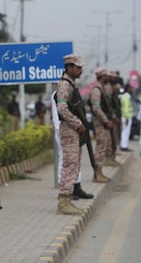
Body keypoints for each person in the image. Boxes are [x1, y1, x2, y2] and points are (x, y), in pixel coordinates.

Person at [55, 53, 87, 215]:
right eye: (78, 67)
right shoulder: (64, 85)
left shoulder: (71, 84)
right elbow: (62, 108)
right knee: (69, 164)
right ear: (69, 67)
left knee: (74, 164)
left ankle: (67, 198)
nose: (80, 70)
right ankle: (63, 201)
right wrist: (77, 123)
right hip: (69, 129)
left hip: (73, 130)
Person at [51, 90, 93, 200]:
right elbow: (58, 114)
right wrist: (59, 130)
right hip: (63, 130)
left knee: (76, 158)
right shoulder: (59, 93)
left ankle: (76, 187)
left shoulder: (71, 91)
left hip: (73, 130)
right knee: (64, 159)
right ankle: (64, 190)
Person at [89, 68, 115, 183]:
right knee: (100, 148)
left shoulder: (102, 89)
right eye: (107, 76)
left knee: (103, 147)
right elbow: (96, 108)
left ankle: (100, 173)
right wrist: (105, 120)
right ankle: (96, 175)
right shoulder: (96, 90)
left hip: (103, 124)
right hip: (100, 124)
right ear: (102, 76)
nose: (109, 78)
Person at [120, 84, 134, 151]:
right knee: (125, 131)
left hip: (126, 117)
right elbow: (125, 108)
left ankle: (124, 145)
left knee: (126, 131)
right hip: (126, 117)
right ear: (128, 89)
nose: (132, 90)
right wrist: (127, 118)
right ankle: (124, 146)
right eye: (131, 88)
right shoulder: (125, 97)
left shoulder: (127, 97)